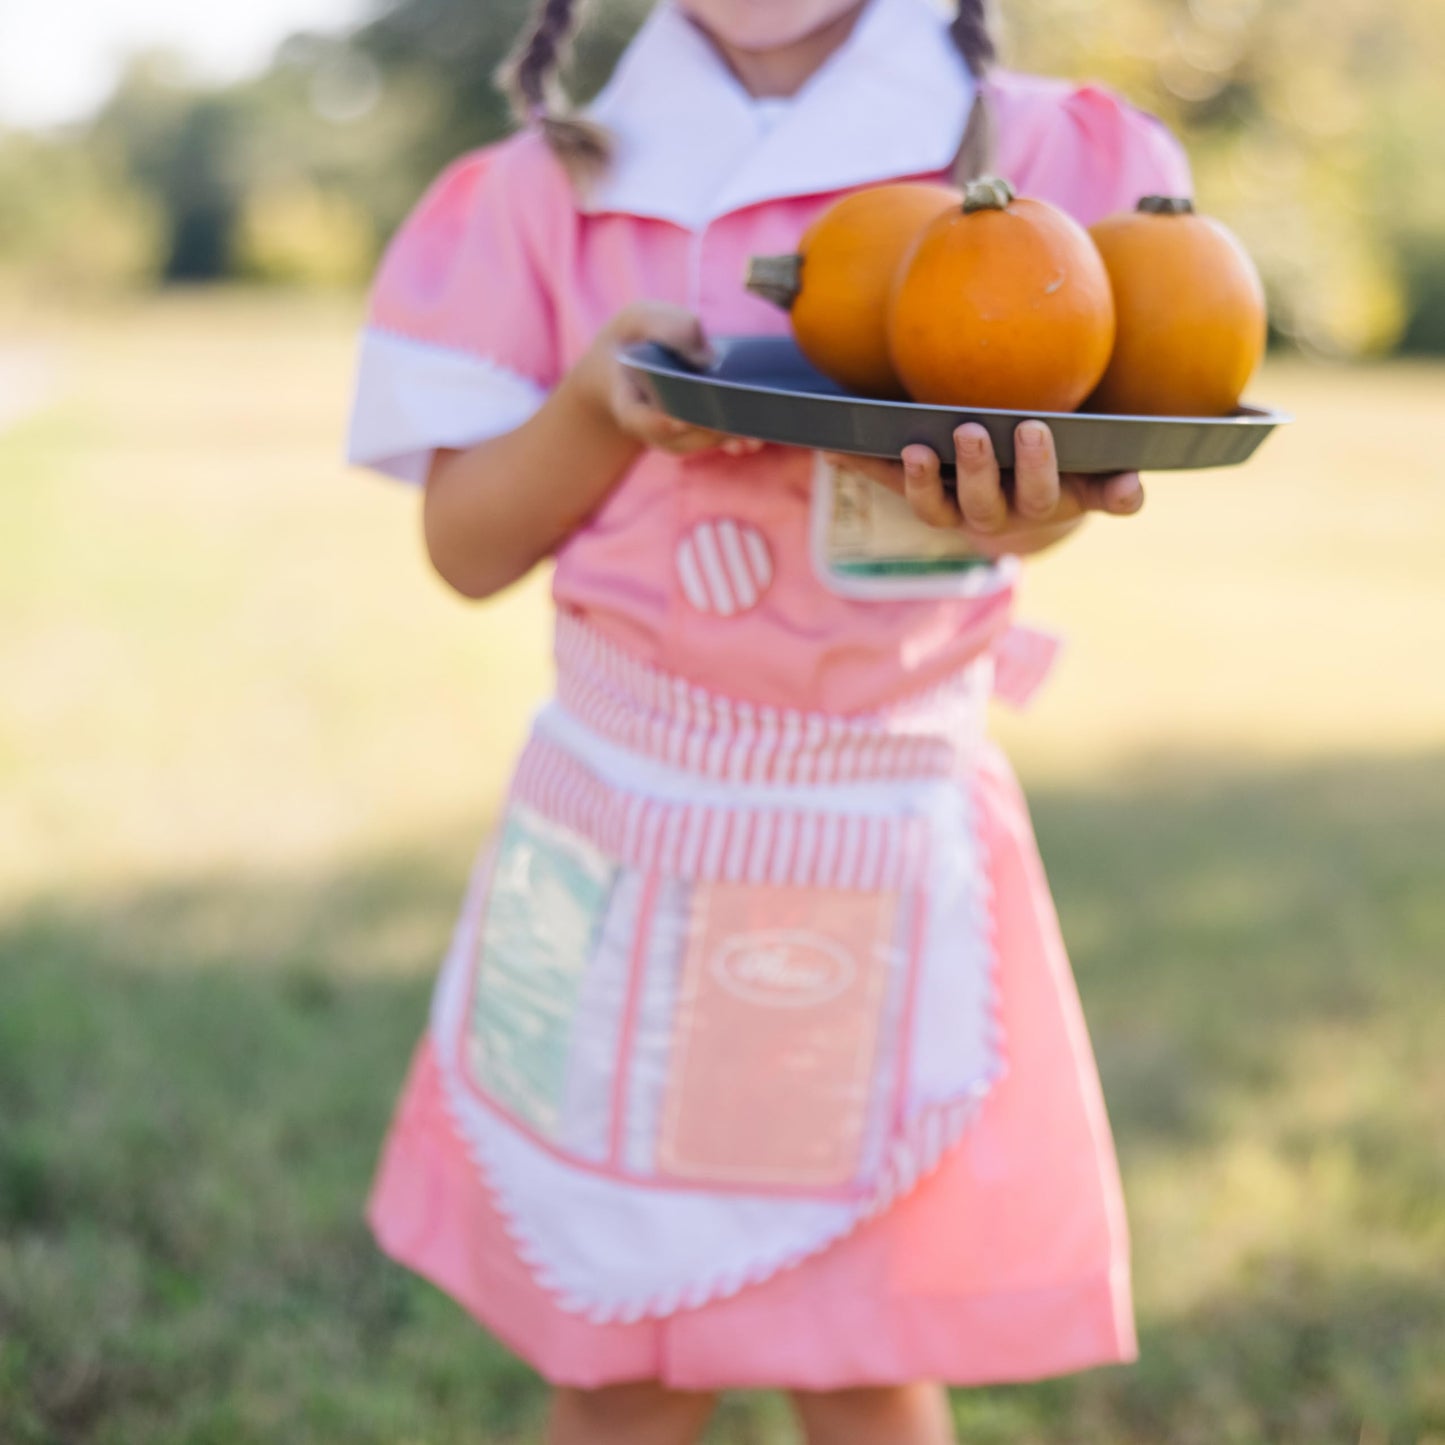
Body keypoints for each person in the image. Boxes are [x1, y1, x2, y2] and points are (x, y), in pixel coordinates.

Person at [346, 1, 1191, 1441]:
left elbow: (1047, 503)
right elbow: (466, 545)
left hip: (866, 834)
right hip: (612, 836)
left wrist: (1027, 508)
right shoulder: (550, 188)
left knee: (856, 1351)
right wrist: (599, 404)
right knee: (611, 1352)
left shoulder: (1047, 158)